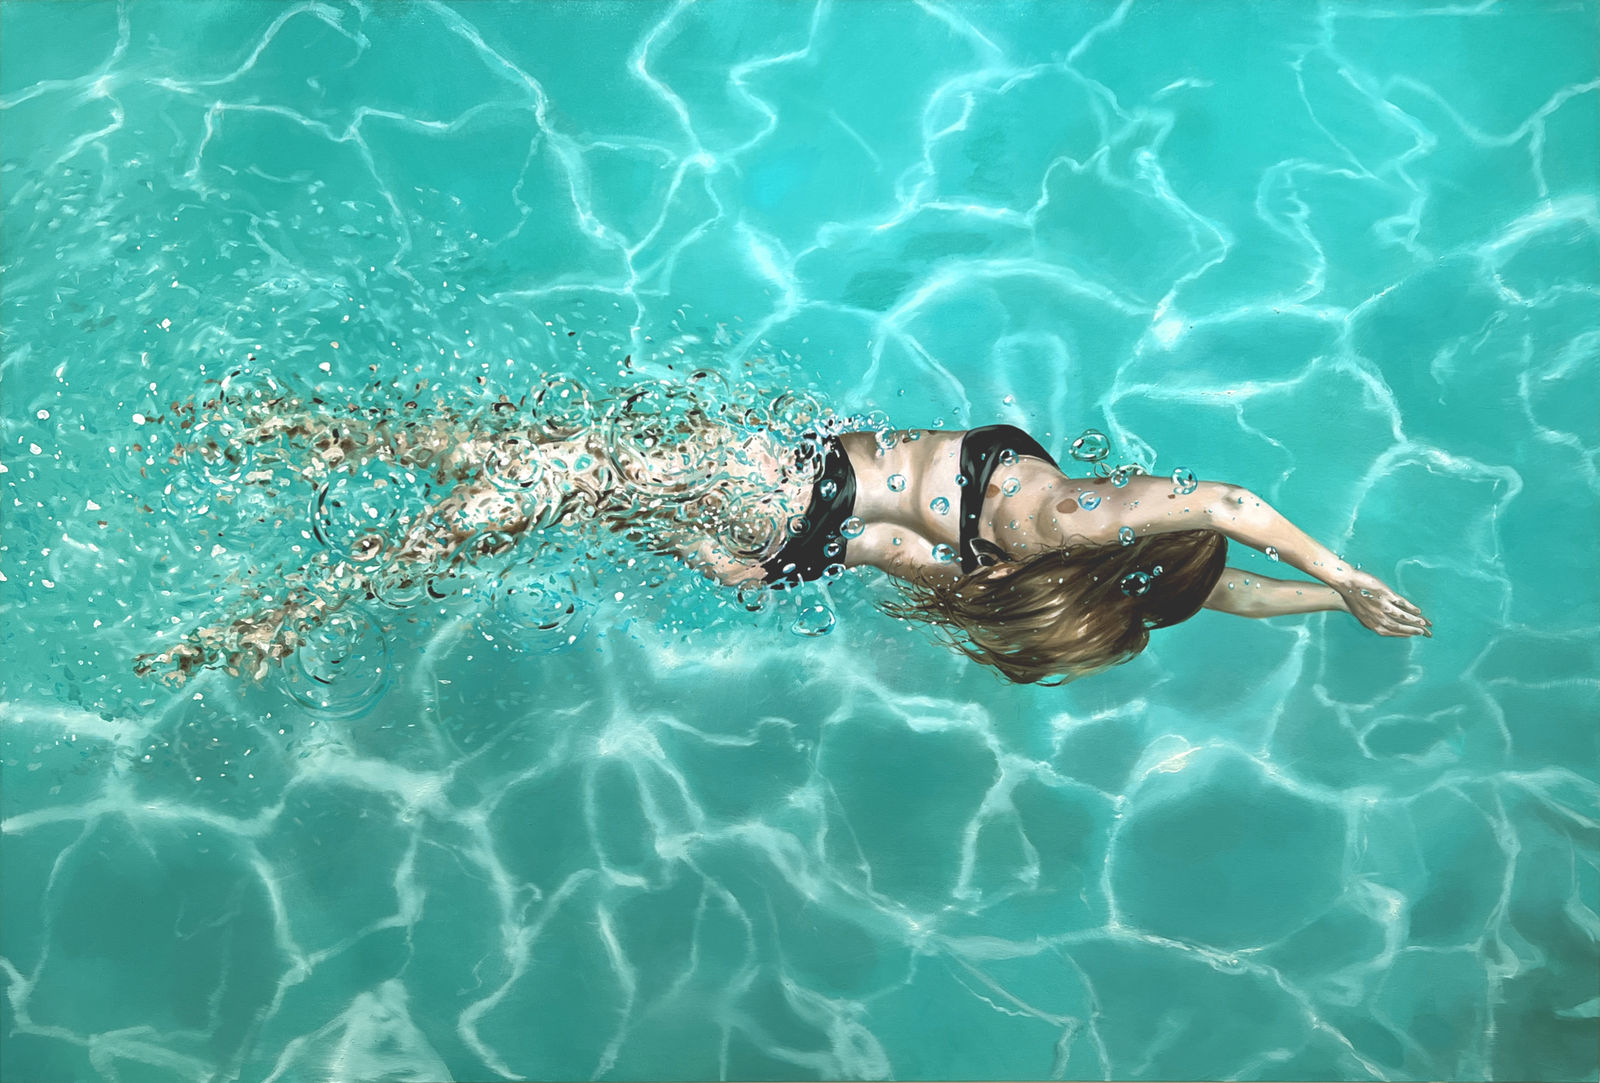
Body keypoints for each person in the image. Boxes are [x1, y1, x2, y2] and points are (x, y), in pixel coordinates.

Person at [134, 372, 1430, 687]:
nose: (1160, 478)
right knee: (547, 477)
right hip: (783, 558)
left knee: (550, 469)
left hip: (791, 492)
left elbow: (1229, 513)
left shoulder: (1062, 510)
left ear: (1134, 522)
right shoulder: (1081, 585)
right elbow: (1217, 588)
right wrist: (1333, 609)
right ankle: (326, 468)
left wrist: (1346, 569)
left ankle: (304, 577)